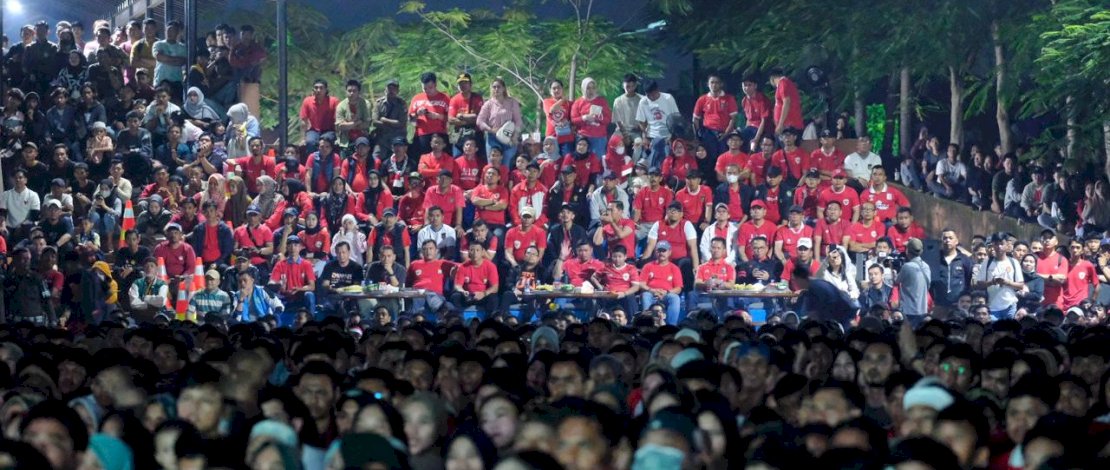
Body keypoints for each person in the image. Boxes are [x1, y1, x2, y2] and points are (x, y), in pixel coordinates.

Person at [636, 80, 680, 170]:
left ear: (657, 90)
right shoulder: (643, 102)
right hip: (652, 136)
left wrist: (672, 136)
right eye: (648, 95)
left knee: (667, 157)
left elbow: (676, 119)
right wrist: (644, 137)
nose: (651, 97)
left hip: (668, 135)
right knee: (650, 158)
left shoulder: (668, 98)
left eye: (653, 94)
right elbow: (641, 121)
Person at [692, 74, 738, 159]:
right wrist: (697, 135)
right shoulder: (702, 99)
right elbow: (695, 119)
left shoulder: (729, 98)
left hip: (724, 132)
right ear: (708, 84)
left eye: (717, 82)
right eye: (712, 82)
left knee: (723, 156)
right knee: (709, 156)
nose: (714, 85)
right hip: (708, 132)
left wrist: (726, 133)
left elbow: (733, 119)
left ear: (721, 84)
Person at [450, 243, 499, 316]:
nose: (475, 253)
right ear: (469, 252)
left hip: (483, 295)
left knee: (493, 298)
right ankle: (459, 320)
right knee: (455, 296)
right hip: (468, 296)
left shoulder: (491, 266)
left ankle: (489, 321)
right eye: (472, 250)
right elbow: (457, 286)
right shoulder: (463, 266)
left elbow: (495, 287)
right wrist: (463, 291)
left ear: (482, 252)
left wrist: (484, 293)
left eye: (477, 250)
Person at [896, 238, 932, 324]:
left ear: (907, 251)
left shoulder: (907, 266)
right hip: (923, 309)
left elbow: (897, 281)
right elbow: (928, 285)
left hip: (909, 310)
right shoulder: (926, 266)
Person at [299, 79, 339, 155]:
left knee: (325, 142)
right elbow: (303, 121)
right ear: (313, 90)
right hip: (313, 131)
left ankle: (327, 164)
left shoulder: (334, 101)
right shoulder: (307, 101)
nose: (318, 90)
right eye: (316, 88)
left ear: (326, 90)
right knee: (310, 142)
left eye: (321, 88)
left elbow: (337, 120)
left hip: (329, 130)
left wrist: (338, 137)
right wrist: (302, 139)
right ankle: (312, 164)